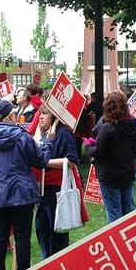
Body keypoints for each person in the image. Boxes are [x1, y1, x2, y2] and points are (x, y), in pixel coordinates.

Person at [0, 99, 51, 270]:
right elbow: (40, 161)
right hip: (22, 193)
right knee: (22, 237)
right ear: (10, 116)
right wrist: (46, 144)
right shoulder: (22, 137)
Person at [33, 107, 80, 258]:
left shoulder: (64, 133)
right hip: (42, 190)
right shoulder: (47, 133)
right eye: (40, 113)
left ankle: (57, 261)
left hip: (55, 189)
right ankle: (47, 260)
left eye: (45, 114)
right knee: (42, 229)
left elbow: (72, 161)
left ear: (55, 116)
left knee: (56, 230)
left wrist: (45, 163)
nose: (40, 117)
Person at [92, 91, 136, 222]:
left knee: (114, 212)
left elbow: (99, 151)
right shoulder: (132, 125)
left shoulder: (107, 128)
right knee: (128, 210)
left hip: (109, 176)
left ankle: (117, 240)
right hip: (127, 172)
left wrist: (89, 148)